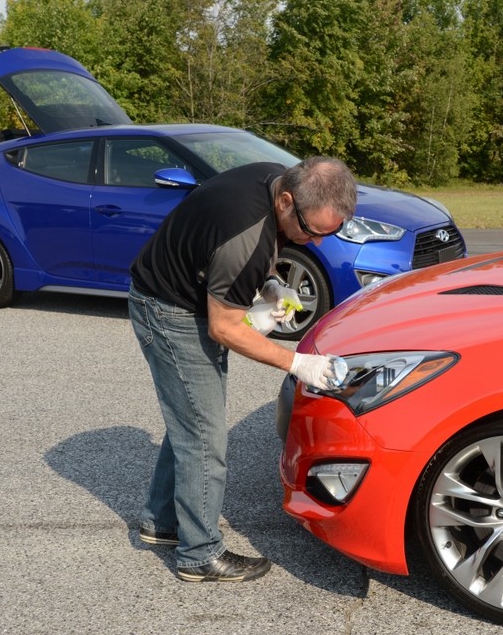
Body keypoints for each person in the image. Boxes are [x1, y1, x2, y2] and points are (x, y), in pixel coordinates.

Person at [127, 156, 356, 582]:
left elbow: (247, 246)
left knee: (191, 421)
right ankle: (199, 555)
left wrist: (267, 282)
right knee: (204, 438)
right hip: (171, 313)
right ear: (286, 201)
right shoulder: (245, 232)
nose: (316, 243)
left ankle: (161, 523)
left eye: (329, 233)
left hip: (174, 291)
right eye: (311, 230)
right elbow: (225, 327)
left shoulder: (274, 178)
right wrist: (299, 363)